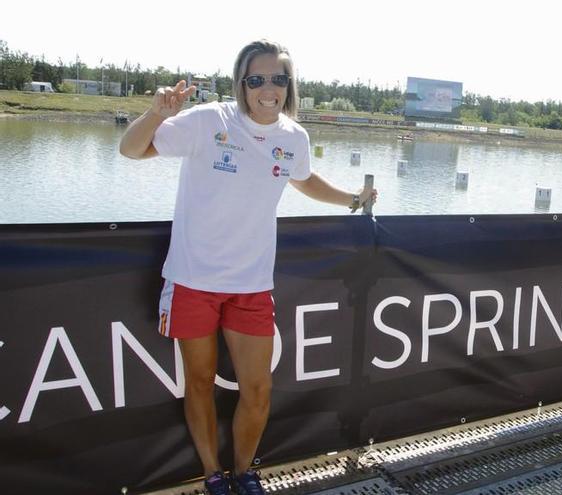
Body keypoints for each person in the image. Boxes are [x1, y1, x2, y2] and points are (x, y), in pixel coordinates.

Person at [119, 39, 377, 495]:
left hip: (251, 286)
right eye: (256, 79)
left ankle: (244, 473)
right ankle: (213, 475)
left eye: (278, 79)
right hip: (192, 281)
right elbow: (131, 150)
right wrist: (157, 113)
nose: (268, 89)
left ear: (289, 86)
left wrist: (352, 199)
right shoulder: (208, 121)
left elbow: (304, 178)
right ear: (242, 84)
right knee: (199, 384)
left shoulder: (293, 137)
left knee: (257, 391)